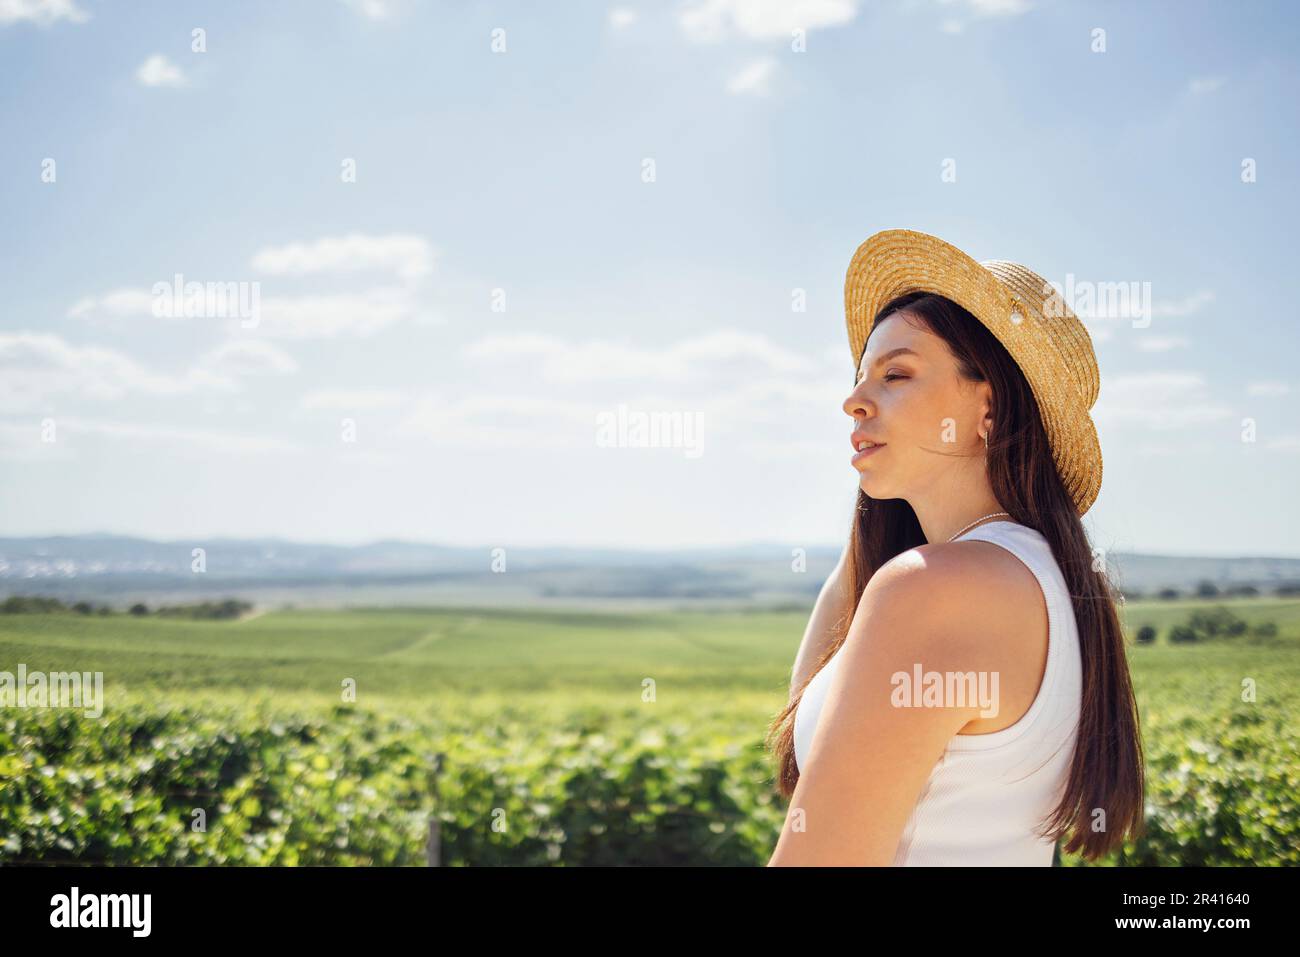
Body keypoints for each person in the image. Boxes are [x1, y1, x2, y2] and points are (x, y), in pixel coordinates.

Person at [766, 229, 1144, 866]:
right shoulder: (1044, 577)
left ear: (988, 407)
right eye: (860, 377)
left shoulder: (935, 590)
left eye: (896, 374)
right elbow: (809, 764)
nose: (853, 402)